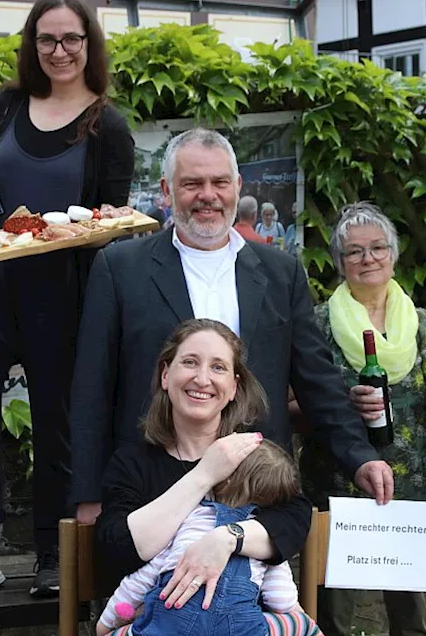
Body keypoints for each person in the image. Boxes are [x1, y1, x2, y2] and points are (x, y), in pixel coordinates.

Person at [69, 128, 394, 533]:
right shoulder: (119, 269)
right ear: (167, 191)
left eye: (220, 182)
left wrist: (360, 456)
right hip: (150, 486)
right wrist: (88, 492)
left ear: (237, 187)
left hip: (256, 484)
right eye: (192, 184)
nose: (208, 194)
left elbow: (317, 380)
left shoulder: (281, 271)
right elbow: (91, 387)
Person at [0, 0, 134, 596]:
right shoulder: (5, 105)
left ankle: (53, 553)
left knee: (59, 421)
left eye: (71, 38)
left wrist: (81, 226)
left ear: (88, 44)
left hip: (62, 287)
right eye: (46, 39)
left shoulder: (108, 124)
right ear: (32, 45)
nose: (59, 50)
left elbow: (111, 223)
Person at [294, 202, 426, 636]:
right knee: (327, 625)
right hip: (336, 489)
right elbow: (293, 405)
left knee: (413, 627)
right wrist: (340, 405)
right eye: (354, 252)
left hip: (411, 487)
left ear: (393, 255)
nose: (367, 258)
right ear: (339, 263)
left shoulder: (418, 322)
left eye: (377, 248)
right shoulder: (316, 324)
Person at [92, 319, 328, 636]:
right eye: (189, 362)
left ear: (233, 387)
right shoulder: (132, 463)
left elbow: (293, 518)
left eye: (218, 367)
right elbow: (117, 548)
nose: (202, 379)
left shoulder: (255, 458)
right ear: (165, 375)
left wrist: (225, 539)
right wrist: (205, 474)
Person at [89, 439, 331, 636]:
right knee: (305, 627)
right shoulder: (264, 537)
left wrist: (106, 623)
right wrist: (296, 615)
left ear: (222, 480)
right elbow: (281, 598)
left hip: (167, 633)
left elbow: (144, 577)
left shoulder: (186, 520)